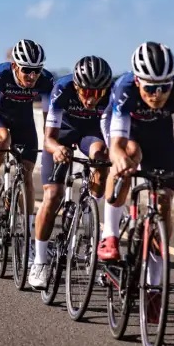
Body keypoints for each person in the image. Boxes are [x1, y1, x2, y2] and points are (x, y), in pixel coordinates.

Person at [100, 41, 174, 322]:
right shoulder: (123, 89)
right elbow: (116, 145)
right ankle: (110, 235)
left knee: (163, 204)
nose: (158, 94)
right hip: (126, 134)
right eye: (150, 88)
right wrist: (120, 159)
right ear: (137, 81)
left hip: (159, 136)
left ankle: (153, 287)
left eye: (165, 86)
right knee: (129, 157)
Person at [28, 56, 113, 289]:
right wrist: (57, 149)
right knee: (52, 196)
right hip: (62, 135)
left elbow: (111, 135)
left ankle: (90, 220)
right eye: (86, 91)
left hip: (91, 134)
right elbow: (48, 138)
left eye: (98, 93)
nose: (92, 98)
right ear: (76, 86)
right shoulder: (62, 89)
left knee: (101, 156)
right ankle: (40, 261)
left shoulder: (112, 95)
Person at [0, 39, 54, 266]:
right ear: (15, 67)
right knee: (3, 140)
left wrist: (49, 146)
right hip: (0, 117)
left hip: (24, 122)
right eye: (26, 70)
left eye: (36, 70)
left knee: (27, 174)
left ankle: (29, 237)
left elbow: (48, 121)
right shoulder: (1, 74)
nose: (32, 76)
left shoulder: (46, 81)